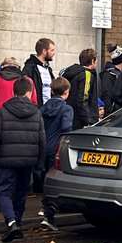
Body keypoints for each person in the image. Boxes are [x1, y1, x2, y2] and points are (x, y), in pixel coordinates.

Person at [0, 75, 46, 243]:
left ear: (14, 92)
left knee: (4, 192)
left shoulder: (3, 111)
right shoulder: (36, 112)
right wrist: (40, 164)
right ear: (29, 92)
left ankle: (12, 222)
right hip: (28, 161)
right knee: (21, 193)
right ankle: (17, 224)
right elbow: (42, 140)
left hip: (6, 160)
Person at [39, 76, 75, 230]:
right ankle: (49, 215)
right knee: (56, 181)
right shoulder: (67, 109)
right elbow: (66, 128)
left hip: (42, 147)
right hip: (56, 148)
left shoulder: (43, 108)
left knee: (44, 179)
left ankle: (44, 208)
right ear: (66, 92)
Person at [61, 48, 100, 131]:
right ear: (93, 61)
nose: (97, 63)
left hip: (72, 115)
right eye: (96, 60)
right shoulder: (87, 75)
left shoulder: (74, 72)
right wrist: (89, 120)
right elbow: (83, 98)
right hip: (80, 120)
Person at [21, 38, 57, 105]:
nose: (54, 53)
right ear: (44, 51)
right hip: (36, 110)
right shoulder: (29, 68)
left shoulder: (48, 69)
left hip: (49, 109)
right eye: (52, 50)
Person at [100, 45, 122, 116]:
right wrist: (109, 114)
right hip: (112, 114)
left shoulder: (120, 74)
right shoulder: (109, 75)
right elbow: (107, 96)